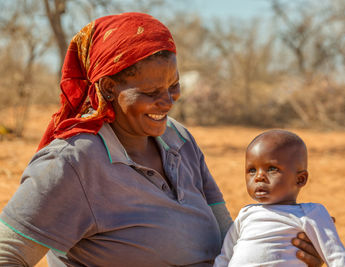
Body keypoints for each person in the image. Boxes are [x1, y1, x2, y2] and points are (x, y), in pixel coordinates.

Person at [0, 13, 323, 266]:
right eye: (151, 92)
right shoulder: (72, 163)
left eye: (174, 86)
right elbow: (8, 255)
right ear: (109, 88)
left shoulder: (179, 140)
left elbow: (227, 237)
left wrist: (284, 243)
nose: (167, 102)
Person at [214, 129, 345, 267]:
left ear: (300, 179)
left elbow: (336, 255)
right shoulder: (246, 214)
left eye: (271, 169)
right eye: (252, 170)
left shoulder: (310, 213)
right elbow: (226, 256)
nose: (258, 177)